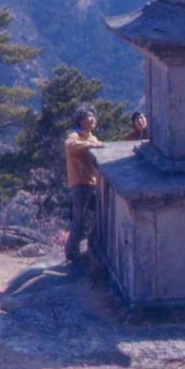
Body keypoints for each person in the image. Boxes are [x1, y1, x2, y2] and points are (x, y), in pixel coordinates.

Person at [64, 105, 105, 261]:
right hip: (80, 183)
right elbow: (69, 145)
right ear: (81, 120)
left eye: (94, 116)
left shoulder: (92, 137)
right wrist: (90, 145)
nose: (93, 119)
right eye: (89, 116)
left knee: (100, 215)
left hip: (92, 182)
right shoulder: (75, 136)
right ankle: (72, 252)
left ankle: (91, 244)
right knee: (79, 218)